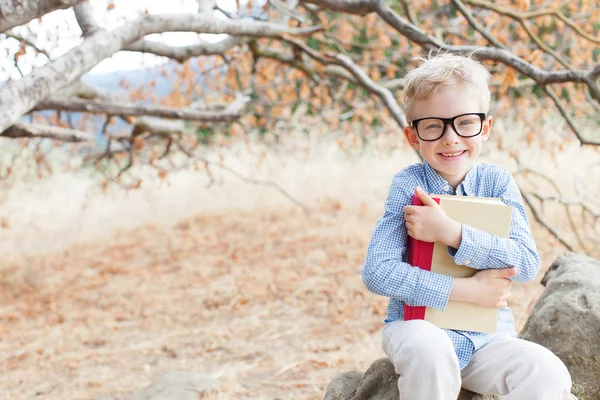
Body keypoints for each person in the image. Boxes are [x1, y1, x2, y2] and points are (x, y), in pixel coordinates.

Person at [361, 53, 574, 400]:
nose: (450, 138)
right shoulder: (408, 186)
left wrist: (453, 234)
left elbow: (525, 263)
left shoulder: (497, 183)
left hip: (486, 339)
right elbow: (378, 272)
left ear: (485, 128)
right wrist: (464, 292)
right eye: (433, 125)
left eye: (464, 123)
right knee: (428, 350)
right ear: (413, 136)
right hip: (418, 329)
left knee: (546, 371)